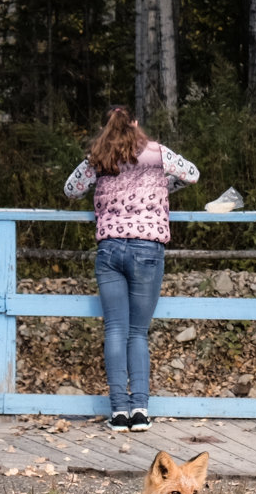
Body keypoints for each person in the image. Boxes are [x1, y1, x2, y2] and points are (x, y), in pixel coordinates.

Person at [64, 105, 199, 431]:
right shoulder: (157, 153)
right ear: (136, 125)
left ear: (105, 128)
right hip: (147, 248)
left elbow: (71, 190)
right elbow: (192, 174)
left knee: (115, 330)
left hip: (109, 248)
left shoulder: (99, 156)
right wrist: (162, 186)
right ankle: (140, 410)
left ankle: (119, 412)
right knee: (137, 332)